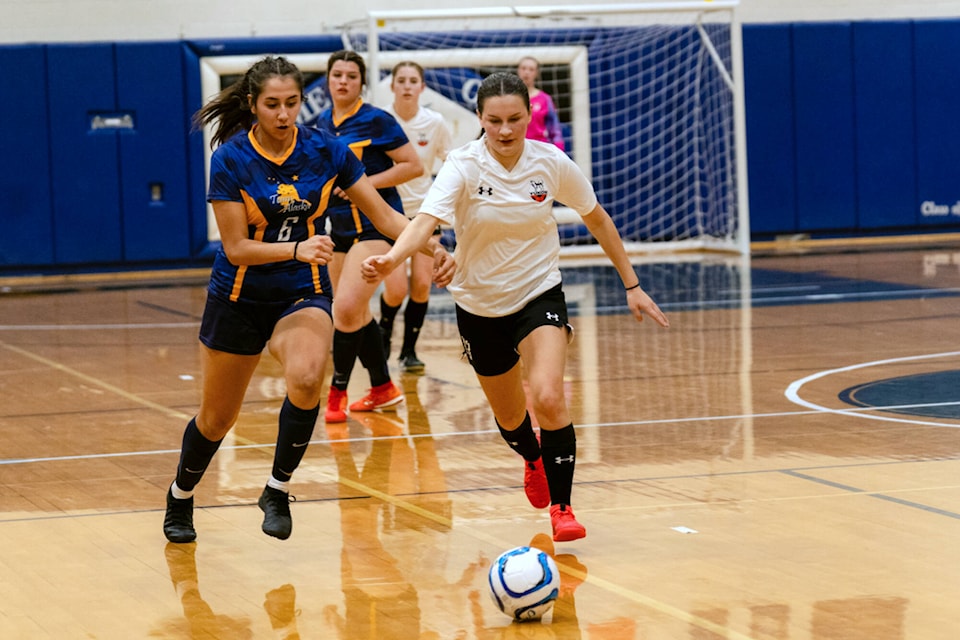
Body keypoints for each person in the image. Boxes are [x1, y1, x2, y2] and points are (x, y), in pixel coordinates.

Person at [361, 72, 670, 542]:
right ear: (480, 120)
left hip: (538, 292)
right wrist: (391, 259)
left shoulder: (551, 162)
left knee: (547, 395)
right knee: (510, 418)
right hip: (479, 302)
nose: (505, 131)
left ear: (530, 114)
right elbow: (425, 222)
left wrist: (632, 284)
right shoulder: (464, 164)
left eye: (515, 119)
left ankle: (563, 508)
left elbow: (598, 219)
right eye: (494, 121)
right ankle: (532, 457)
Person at [162, 55, 451, 544]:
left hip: (301, 290)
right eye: (272, 104)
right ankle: (181, 494)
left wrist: (432, 246)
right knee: (217, 419)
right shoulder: (230, 159)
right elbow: (235, 248)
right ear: (253, 104)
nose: (282, 114)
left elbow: (384, 216)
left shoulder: (327, 150)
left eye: (291, 103)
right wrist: (296, 246)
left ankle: (276, 489)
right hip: (239, 296)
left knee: (307, 376)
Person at [316, 50, 424, 422]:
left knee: (345, 309)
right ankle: (383, 387)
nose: (343, 81)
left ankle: (337, 395)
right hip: (340, 231)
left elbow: (413, 165)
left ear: (361, 82)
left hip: (377, 228)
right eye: (337, 75)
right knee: (351, 312)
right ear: (328, 80)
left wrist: (364, 185)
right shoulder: (320, 124)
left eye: (350, 75)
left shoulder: (377, 120)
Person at [380, 61, 454, 373]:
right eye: (402, 80)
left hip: (424, 215)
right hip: (387, 214)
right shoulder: (381, 120)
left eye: (414, 81)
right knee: (395, 289)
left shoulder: (435, 122)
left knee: (422, 285)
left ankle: (409, 351)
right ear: (393, 86)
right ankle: (382, 342)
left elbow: (451, 163)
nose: (408, 86)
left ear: (422, 87)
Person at [516, 56, 565, 150]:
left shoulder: (545, 99)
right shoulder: (509, 98)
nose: (527, 72)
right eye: (523, 68)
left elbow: (555, 130)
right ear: (518, 70)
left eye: (531, 69)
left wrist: (559, 151)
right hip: (515, 150)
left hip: (539, 150)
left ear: (537, 73)